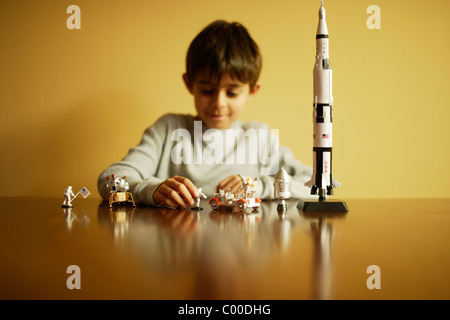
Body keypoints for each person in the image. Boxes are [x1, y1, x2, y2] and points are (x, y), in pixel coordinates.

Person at [97, 20, 313, 208]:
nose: (218, 103)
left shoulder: (260, 138)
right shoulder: (168, 129)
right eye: (207, 90)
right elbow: (110, 178)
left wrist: (261, 186)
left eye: (232, 92)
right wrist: (149, 190)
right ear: (189, 84)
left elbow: (317, 185)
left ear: (252, 91)